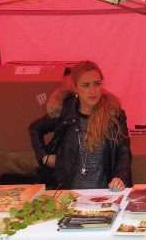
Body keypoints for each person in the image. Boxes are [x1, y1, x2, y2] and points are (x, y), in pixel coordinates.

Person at [29, 61, 132, 190]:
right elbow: (35, 128)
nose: (92, 90)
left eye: (97, 84)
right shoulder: (65, 112)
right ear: (76, 88)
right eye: (86, 85)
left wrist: (120, 177)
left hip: (104, 193)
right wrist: (44, 157)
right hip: (69, 194)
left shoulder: (114, 114)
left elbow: (124, 152)